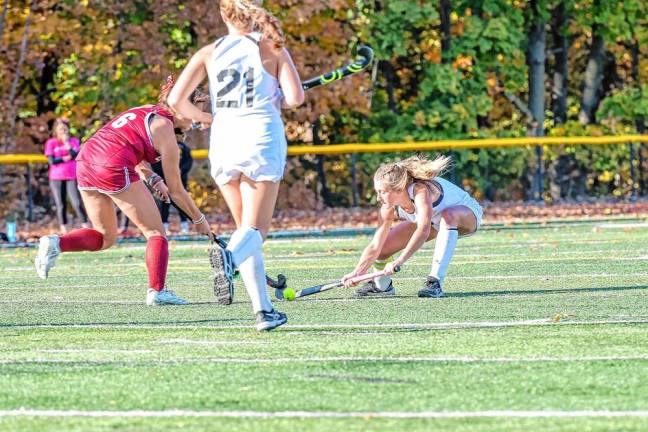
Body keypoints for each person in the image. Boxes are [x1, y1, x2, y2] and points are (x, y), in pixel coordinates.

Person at [167, 0, 304, 330]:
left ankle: (263, 311)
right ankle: (228, 257)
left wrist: (206, 117)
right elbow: (296, 98)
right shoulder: (271, 46)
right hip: (260, 136)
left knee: (245, 228)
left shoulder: (209, 52)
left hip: (225, 140)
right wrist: (279, 99)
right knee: (256, 231)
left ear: (224, 16)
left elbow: (175, 101)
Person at [34, 79, 212, 306]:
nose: (197, 120)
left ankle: (56, 243)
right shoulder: (165, 129)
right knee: (155, 232)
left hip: (86, 161)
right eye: (196, 112)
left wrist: (151, 176)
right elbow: (177, 191)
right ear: (182, 106)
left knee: (105, 237)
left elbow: (124, 144)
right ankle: (157, 290)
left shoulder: (147, 111)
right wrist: (199, 219)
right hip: (112, 165)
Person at [342, 155, 483, 298]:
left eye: (382, 192)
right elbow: (375, 244)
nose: (378, 197)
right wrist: (357, 272)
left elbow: (423, 230)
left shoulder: (420, 190)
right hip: (434, 222)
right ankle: (381, 286)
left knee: (448, 215)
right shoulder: (387, 208)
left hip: (466, 217)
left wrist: (399, 261)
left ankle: (434, 282)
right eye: (377, 191)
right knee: (383, 248)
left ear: (398, 189)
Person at [44, 118, 89, 233]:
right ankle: (64, 228)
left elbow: (75, 155)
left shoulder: (73, 141)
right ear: (56, 131)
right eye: (60, 129)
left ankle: (86, 226)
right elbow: (51, 161)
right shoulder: (51, 143)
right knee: (61, 204)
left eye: (65, 129)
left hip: (71, 176)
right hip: (56, 177)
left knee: (77, 203)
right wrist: (65, 158)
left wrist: (66, 143)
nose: (63, 131)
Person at [151, 129, 194, 234]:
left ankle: (184, 225)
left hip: (180, 180)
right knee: (165, 201)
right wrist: (165, 173)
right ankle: (164, 225)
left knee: (181, 201)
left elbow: (188, 162)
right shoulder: (161, 148)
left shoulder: (184, 148)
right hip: (164, 180)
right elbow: (155, 163)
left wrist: (180, 171)